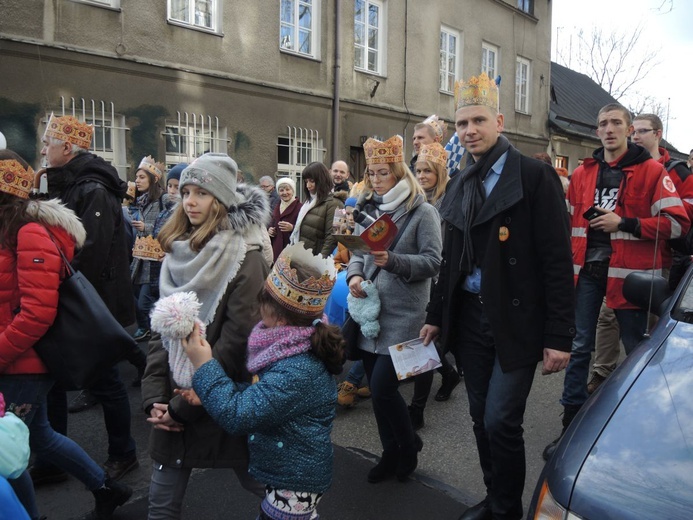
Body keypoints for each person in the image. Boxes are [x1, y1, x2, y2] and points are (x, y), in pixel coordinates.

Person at [420, 73, 575, 520]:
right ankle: (494, 499)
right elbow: (451, 259)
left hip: (516, 320)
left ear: (499, 121)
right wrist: (436, 314)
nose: (469, 130)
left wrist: (560, 334)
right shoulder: (465, 182)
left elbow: (557, 262)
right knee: (478, 417)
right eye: (462, 122)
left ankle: (507, 509)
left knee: (500, 420)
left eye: (478, 120)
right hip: (469, 319)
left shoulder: (534, 176)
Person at [543, 104, 690, 462]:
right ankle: (570, 427)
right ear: (596, 131)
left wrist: (623, 223)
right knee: (578, 349)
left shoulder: (653, 172)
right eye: (602, 123)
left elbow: (678, 225)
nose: (608, 129)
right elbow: (566, 226)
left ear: (628, 130)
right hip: (587, 275)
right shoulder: (582, 173)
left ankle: (637, 433)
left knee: (638, 354)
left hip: (631, 281)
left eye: (616, 123)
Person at [0, 153, 132, 520]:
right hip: (18, 355)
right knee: (36, 436)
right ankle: (107, 488)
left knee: (5, 451)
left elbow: (37, 313)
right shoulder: (7, 228)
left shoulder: (27, 232)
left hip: (26, 360)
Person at [142, 152, 270, 519]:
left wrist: (184, 406)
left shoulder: (247, 257)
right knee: (161, 506)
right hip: (171, 397)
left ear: (222, 198)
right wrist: (155, 399)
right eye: (186, 192)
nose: (191, 201)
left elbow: (239, 340)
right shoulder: (178, 252)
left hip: (220, 394)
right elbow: (160, 332)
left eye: (202, 192)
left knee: (266, 487)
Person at [180, 242, 344, 520]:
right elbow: (265, 395)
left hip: (295, 479)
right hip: (289, 467)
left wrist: (203, 365)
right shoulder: (295, 349)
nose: (257, 310)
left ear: (278, 318)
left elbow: (239, 414)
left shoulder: (297, 368)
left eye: (261, 304)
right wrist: (211, 394)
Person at [36, 114, 139, 482]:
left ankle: (124, 453)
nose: (43, 150)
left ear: (67, 147)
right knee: (53, 379)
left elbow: (89, 253)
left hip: (88, 299)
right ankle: (53, 458)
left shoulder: (92, 188)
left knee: (105, 380)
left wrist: (56, 289)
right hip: (68, 294)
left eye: (48, 143)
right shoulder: (67, 182)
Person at [348, 135, 442, 483]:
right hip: (369, 314)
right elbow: (358, 253)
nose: (374, 179)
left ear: (399, 171)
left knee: (385, 388)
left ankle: (407, 445)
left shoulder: (423, 211)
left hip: (404, 315)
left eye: (382, 172)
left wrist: (394, 261)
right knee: (377, 393)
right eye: (371, 173)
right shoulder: (370, 209)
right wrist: (355, 276)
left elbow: (433, 262)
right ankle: (391, 453)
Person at [586, 112, 693, 394]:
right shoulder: (617, 169)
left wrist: (635, 218)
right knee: (607, 317)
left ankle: (647, 384)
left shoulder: (674, 172)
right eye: (636, 132)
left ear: (657, 134)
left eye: (642, 131)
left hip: (663, 259)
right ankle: (602, 374)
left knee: (649, 325)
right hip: (618, 262)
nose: (636, 137)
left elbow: (682, 219)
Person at [408, 142, 461, 430]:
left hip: (438, 276)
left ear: (440, 172)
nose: (422, 175)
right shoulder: (413, 199)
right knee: (425, 337)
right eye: (418, 170)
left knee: (423, 340)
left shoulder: (448, 202)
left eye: (428, 170)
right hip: (419, 274)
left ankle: (417, 408)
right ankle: (449, 373)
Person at [129, 155, 167, 342]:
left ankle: (156, 331)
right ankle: (147, 328)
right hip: (140, 258)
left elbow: (169, 227)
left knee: (145, 302)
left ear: (154, 179)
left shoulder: (163, 200)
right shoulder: (141, 200)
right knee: (137, 299)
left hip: (155, 260)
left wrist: (147, 228)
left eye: (142, 177)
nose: (137, 181)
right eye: (136, 177)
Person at [290, 162, 343, 257]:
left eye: (311, 181)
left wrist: (320, 262)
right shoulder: (308, 202)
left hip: (316, 262)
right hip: (303, 257)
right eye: (306, 181)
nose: (308, 185)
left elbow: (331, 238)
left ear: (321, 180)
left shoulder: (334, 203)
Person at [268, 177, 301, 262]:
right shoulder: (277, 206)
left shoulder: (300, 207)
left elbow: (305, 228)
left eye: (287, 189)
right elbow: (272, 223)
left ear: (293, 191)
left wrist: (292, 228)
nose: (285, 193)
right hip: (276, 250)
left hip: (291, 250)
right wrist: (270, 230)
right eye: (281, 190)